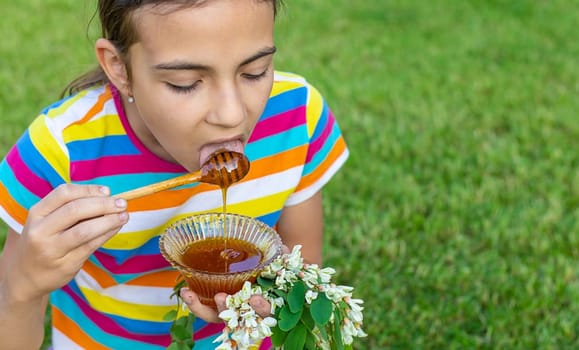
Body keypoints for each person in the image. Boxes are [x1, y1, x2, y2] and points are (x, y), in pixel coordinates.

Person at [0, 0, 349, 348]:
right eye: (185, 83)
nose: (231, 114)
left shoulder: (296, 120)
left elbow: (301, 274)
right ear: (120, 68)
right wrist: (24, 286)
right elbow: (12, 310)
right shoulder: (62, 151)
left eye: (255, 71)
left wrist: (266, 302)